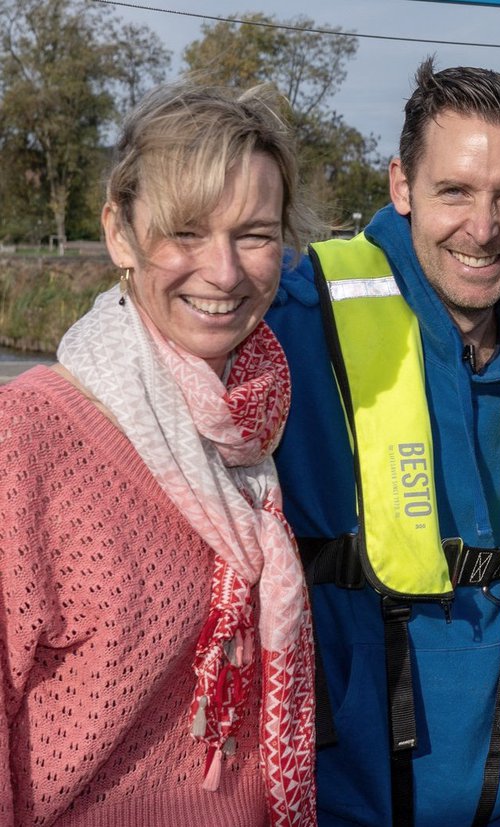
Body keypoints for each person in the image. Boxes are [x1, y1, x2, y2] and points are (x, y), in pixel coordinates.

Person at [266, 59, 500, 827]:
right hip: (334, 797)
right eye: (455, 191)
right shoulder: (294, 309)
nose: (483, 228)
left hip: (495, 790)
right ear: (401, 186)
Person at [0, 83, 319, 825]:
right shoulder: (25, 439)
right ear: (120, 232)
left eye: (254, 234)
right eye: (185, 231)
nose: (225, 272)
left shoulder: (256, 423)